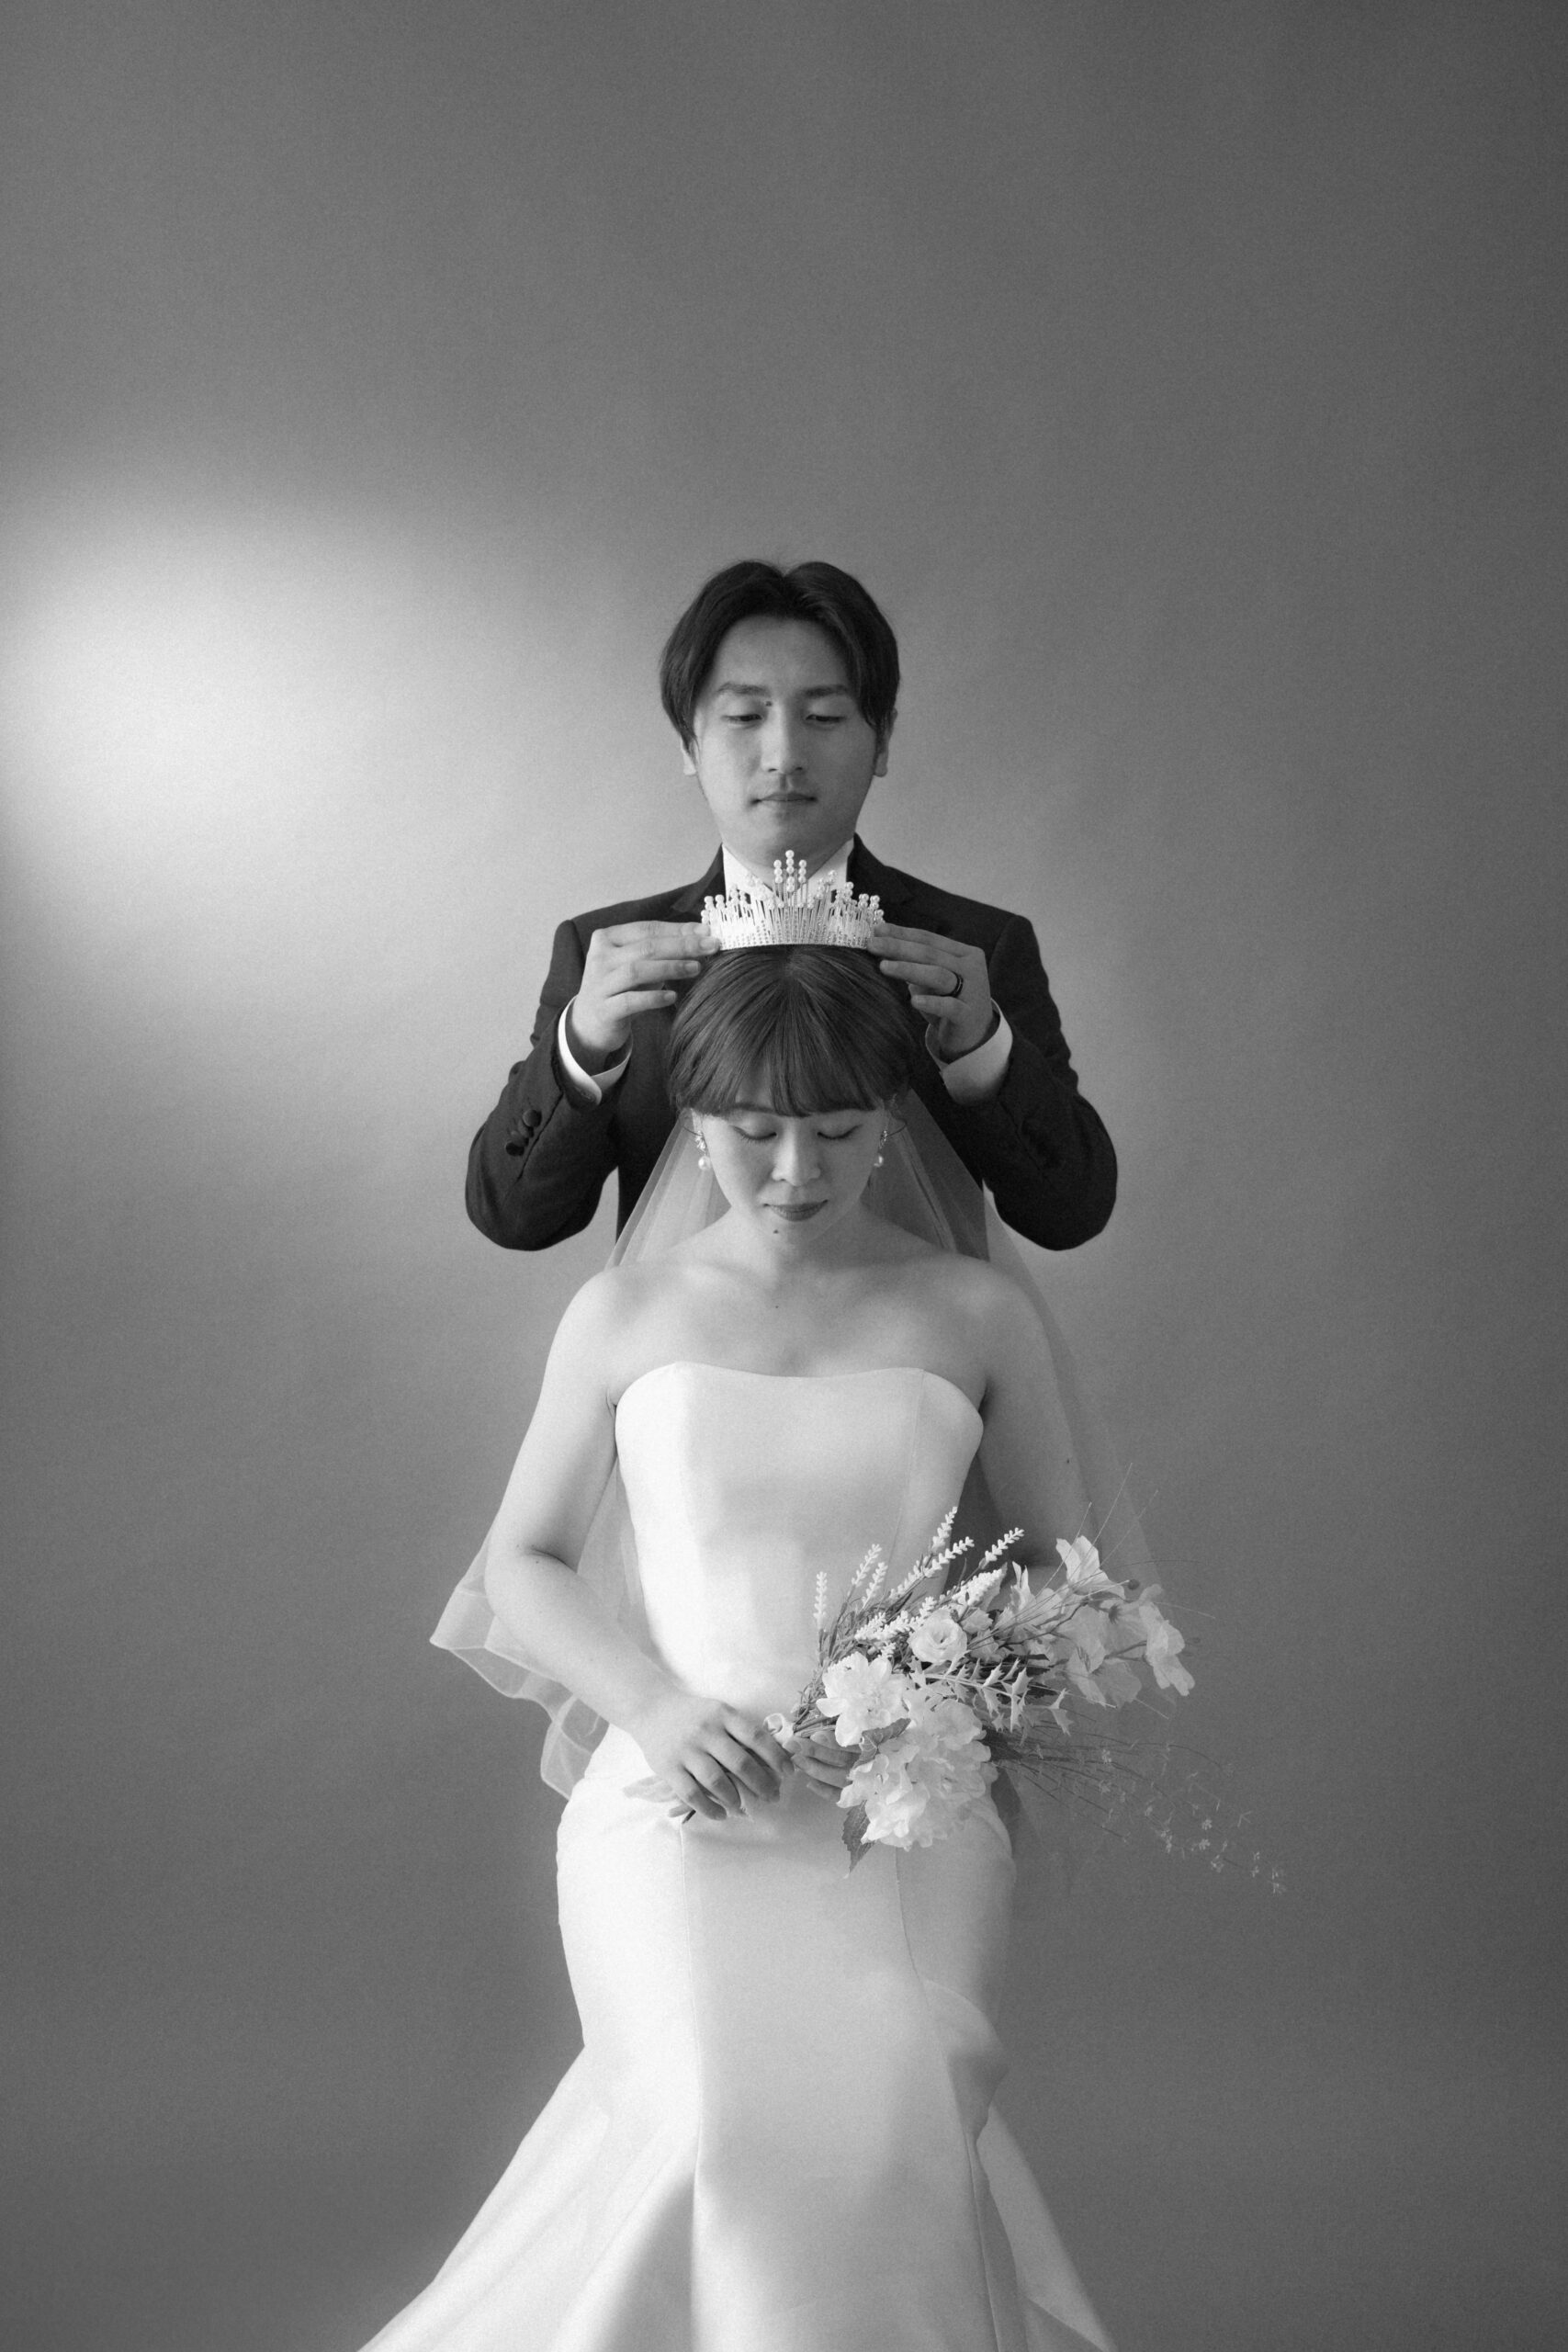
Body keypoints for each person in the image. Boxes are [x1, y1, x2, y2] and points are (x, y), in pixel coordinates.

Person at [366, 943, 1119, 2351]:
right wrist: (652, 1707)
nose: (791, 1171)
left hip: (902, 1813)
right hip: (675, 1804)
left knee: (896, 2118)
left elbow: (1070, 1583)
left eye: (833, 1130)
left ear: (888, 1120)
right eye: (751, 1132)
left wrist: (919, 1702)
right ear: (692, 1121)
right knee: (708, 2121)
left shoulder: (975, 1312)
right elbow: (521, 1561)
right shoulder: (623, 1314)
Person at [465, 559, 1117, 1254]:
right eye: (745, 716)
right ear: (688, 741)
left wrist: (984, 1052)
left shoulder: (973, 951)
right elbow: (514, 1219)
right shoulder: (605, 957)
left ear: (882, 739)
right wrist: (581, 1048)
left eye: (824, 717)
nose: (783, 755)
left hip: (921, 1319)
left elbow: (1069, 1216)